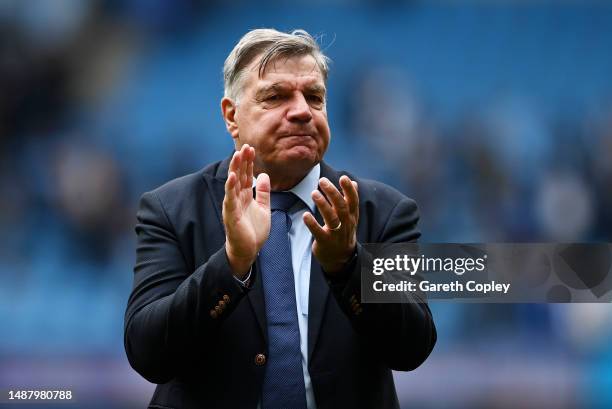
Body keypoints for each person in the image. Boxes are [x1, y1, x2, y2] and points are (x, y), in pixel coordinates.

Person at [124, 28, 436, 409]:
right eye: (276, 96)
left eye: (315, 97)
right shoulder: (171, 209)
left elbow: (412, 349)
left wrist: (348, 266)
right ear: (231, 116)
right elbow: (147, 351)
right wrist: (231, 264)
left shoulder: (383, 211)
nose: (303, 110)